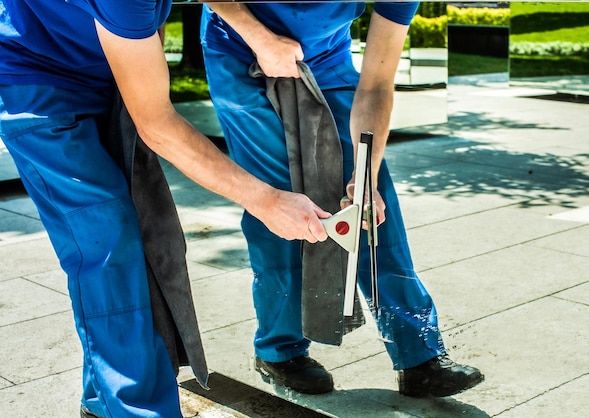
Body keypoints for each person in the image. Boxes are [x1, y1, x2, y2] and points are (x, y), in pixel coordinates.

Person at [0, 1, 330, 417]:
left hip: (106, 75)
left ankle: (102, 401)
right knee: (107, 243)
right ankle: (140, 409)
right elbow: (156, 122)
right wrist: (265, 199)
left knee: (148, 238)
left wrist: (260, 38)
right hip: (34, 86)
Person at [201, 1, 485, 398]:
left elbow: (376, 85)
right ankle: (280, 350)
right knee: (280, 201)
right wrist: (260, 38)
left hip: (326, 55)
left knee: (370, 201)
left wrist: (364, 175)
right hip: (240, 48)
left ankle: (419, 354)